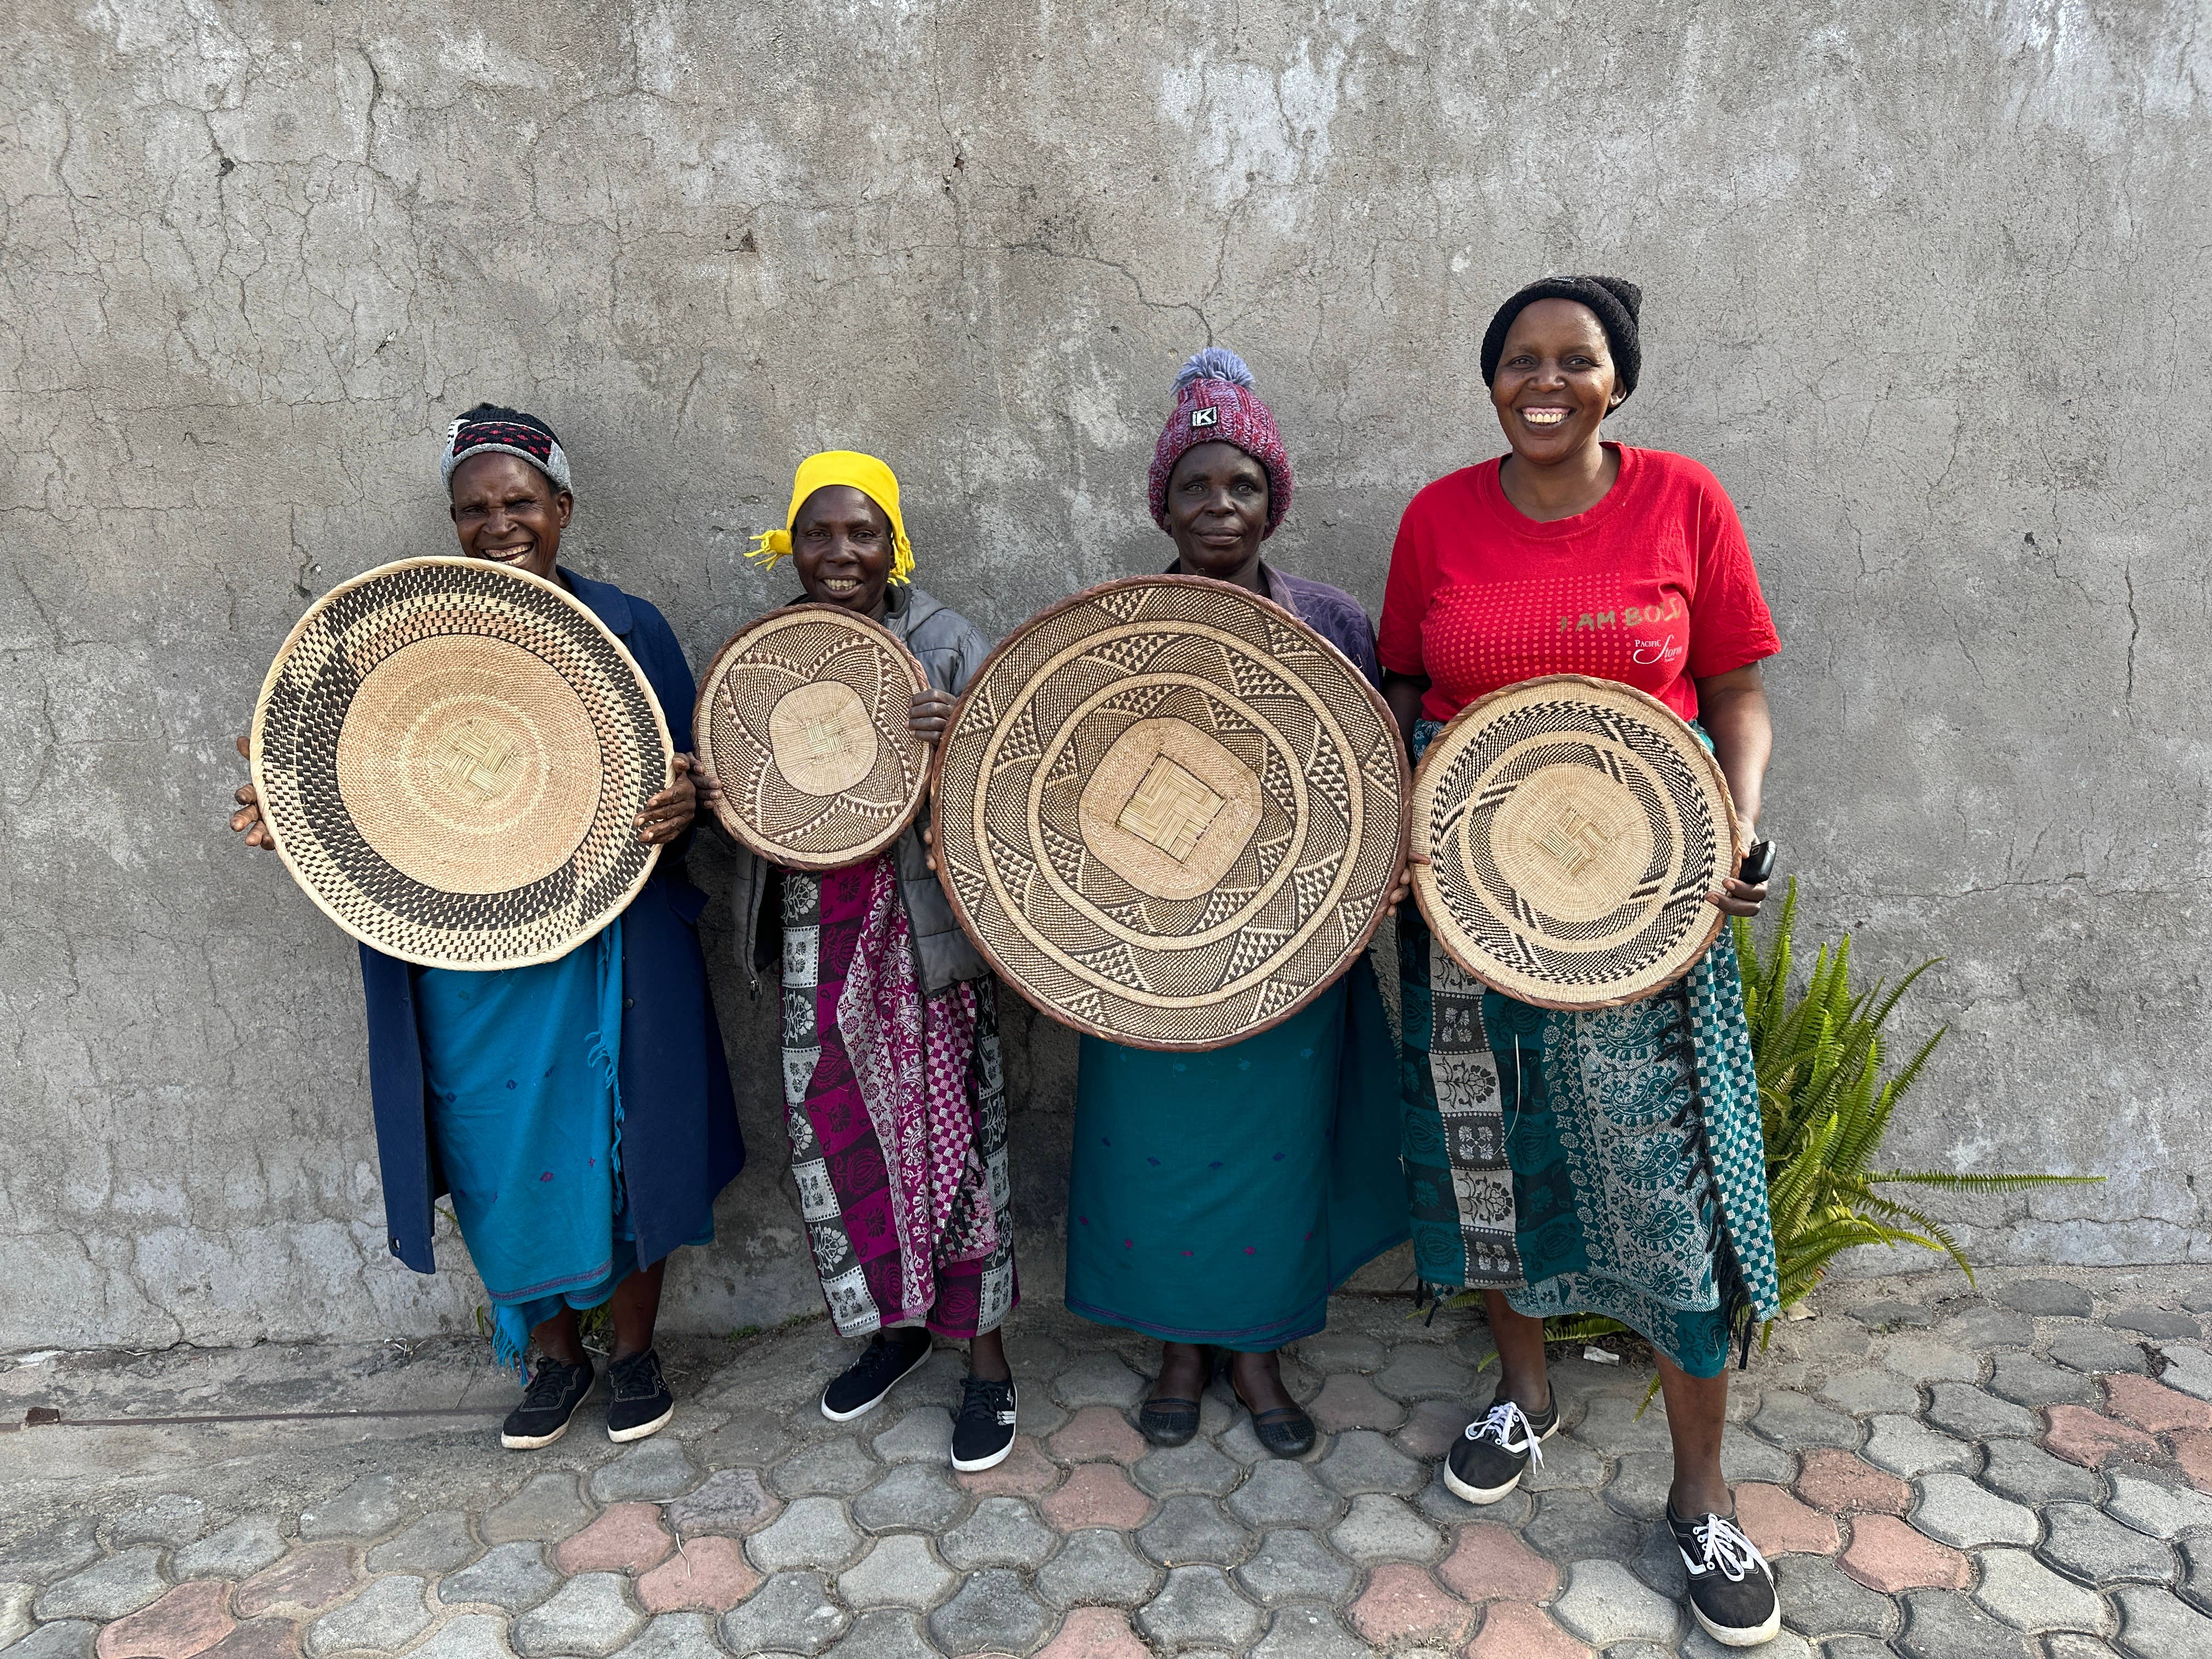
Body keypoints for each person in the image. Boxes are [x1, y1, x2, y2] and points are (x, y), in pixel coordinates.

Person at [1380, 278, 1786, 1647]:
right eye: (1518, 362)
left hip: (1643, 898)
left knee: (1657, 1181)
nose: (1543, 382)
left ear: (1619, 381)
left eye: (1576, 360)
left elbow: (1734, 687)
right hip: (1469, 895)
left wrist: (1738, 822)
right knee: (1483, 1145)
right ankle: (1526, 1390)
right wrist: (1398, 836)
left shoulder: (1683, 501)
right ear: (1490, 380)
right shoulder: (1437, 517)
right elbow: (1400, 690)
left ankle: (1704, 1491)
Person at [229, 404, 745, 1451]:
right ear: (452, 521)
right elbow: (347, 778)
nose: (500, 524)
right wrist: (293, 818)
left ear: (562, 508)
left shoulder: (630, 627)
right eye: (476, 509)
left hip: (606, 939)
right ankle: (553, 1357)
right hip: (458, 950)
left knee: (621, 1142)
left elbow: (695, 773)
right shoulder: (400, 637)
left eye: (520, 503)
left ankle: (637, 1353)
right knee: (491, 1142)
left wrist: (686, 804)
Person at [1061, 349, 1409, 1459]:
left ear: (1276, 501)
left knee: (1275, 1150)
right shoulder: (1114, 630)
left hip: (1290, 941)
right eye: (1197, 486)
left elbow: (1372, 773)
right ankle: (1176, 1345)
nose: (1220, 507)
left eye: (1243, 486)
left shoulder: (1334, 622)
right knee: (1153, 1143)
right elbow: (1054, 784)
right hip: (1141, 943)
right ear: (1161, 501)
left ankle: (1256, 1351)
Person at [699, 452, 1022, 1473]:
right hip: (817, 941)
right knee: (845, 1144)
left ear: (896, 544)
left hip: (927, 948)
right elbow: (733, 804)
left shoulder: (947, 642)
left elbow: (1018, 792)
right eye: (819, 534)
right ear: (788, 545)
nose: (841, 554)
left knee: (951, 1143)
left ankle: (988, 1369)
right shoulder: (765, 656)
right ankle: (898, 1330)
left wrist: (957, 737)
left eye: (863, 533)